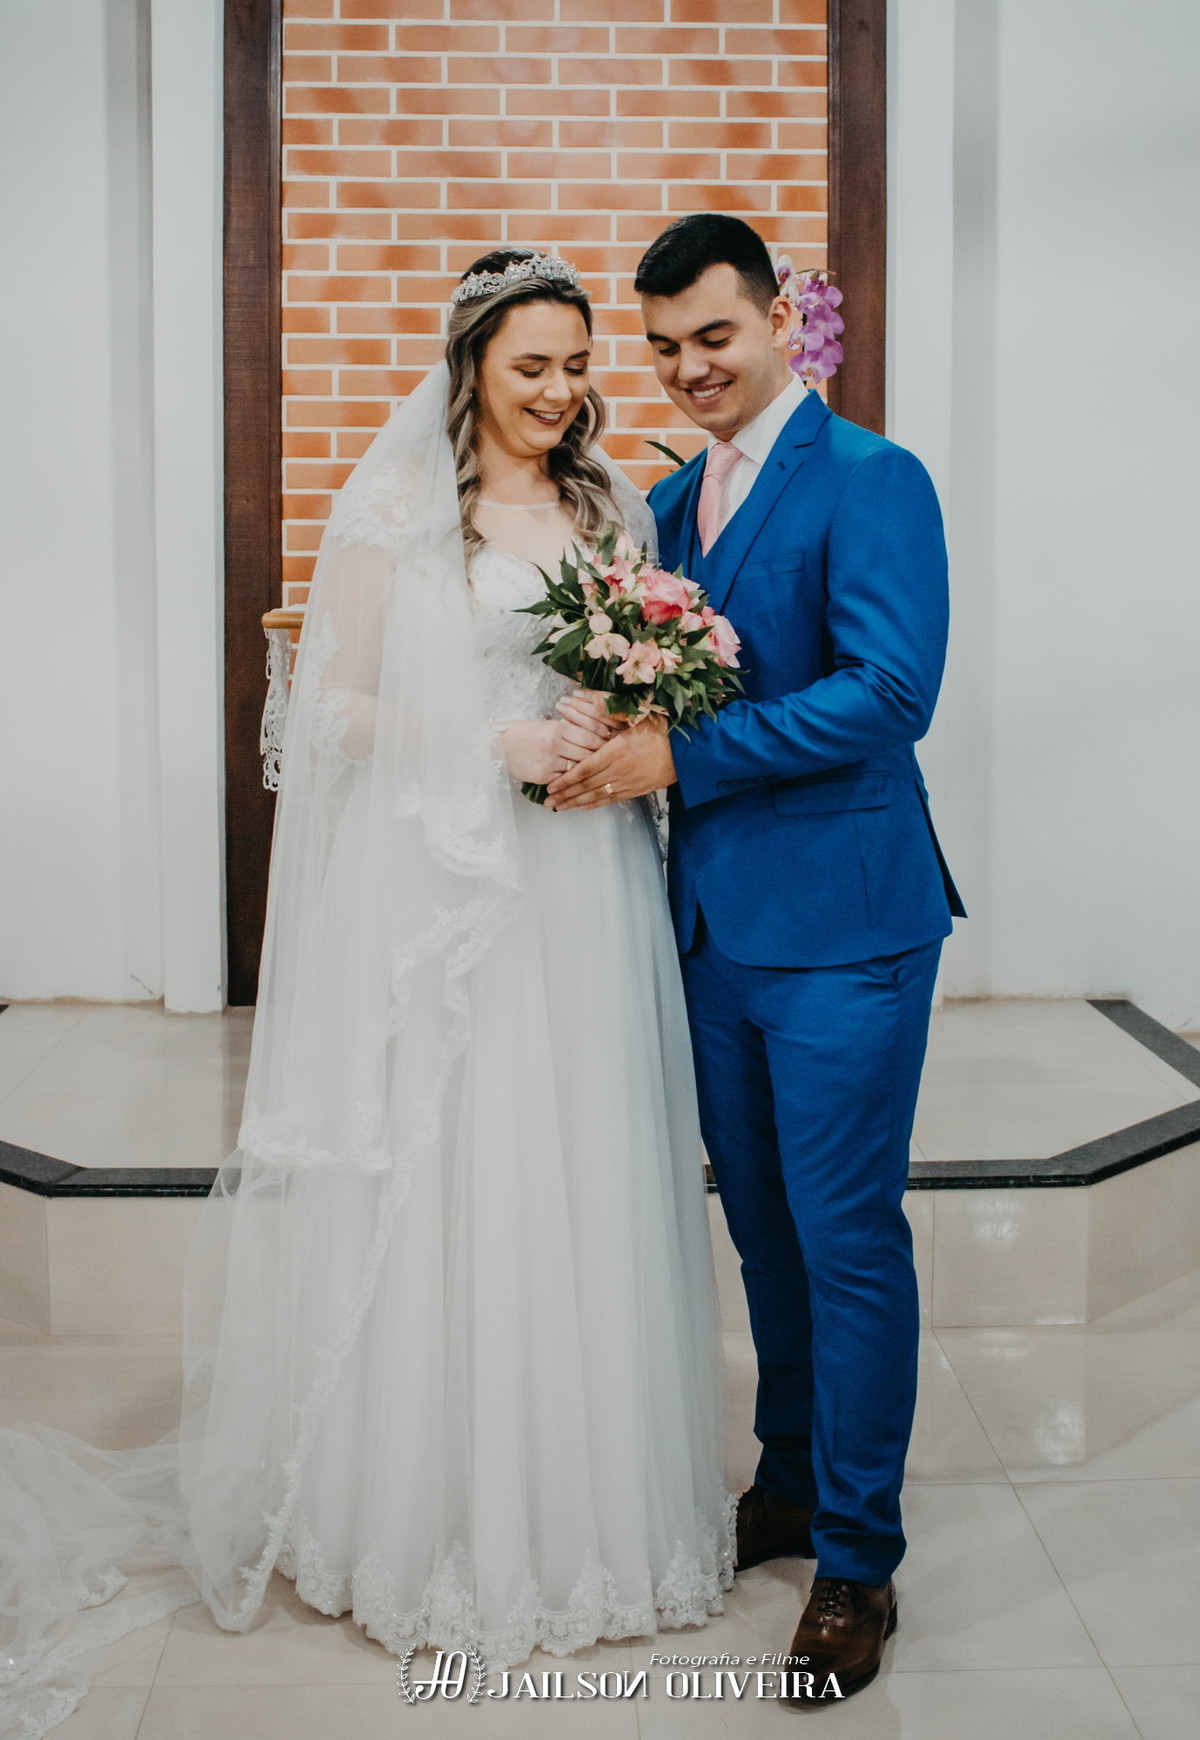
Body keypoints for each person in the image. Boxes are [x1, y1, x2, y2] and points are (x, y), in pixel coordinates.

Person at [0, 249, 733, 1740]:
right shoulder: (398, 507)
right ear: (470, 368)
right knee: (460, 1170)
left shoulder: (617, 505)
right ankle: (429, 1513)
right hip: (457, 891)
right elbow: (323, 710)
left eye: (577, 364)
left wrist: (619, 714)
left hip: (587, 885)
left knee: (585, 1163)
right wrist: (492, 743)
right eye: (530, 367)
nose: (559, 392)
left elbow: (645, 670)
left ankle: (591, 1508)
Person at [546, 213, 966, 1704]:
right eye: (663, 348)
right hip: (711, 930)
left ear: (784, 318)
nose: (688, 369)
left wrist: (683, 755)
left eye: (714, 336)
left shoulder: (873, 478)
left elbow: (891, 691)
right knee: (767, 1235)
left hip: (847, 926)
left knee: (846, 1237)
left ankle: (859, 1559)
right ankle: (788, 1481)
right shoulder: (667, 503)